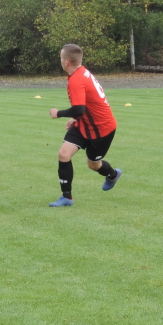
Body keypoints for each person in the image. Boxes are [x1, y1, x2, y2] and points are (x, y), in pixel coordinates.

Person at [47, 43, 122, 207]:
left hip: (102, 129)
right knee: (64, 154)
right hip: (84, 123)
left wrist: (58, 113)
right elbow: (87, 104)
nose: (60, 60)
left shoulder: (77, 79)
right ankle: (66, 197)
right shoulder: (80, 73)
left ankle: (112, 175)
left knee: (93, 165)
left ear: (66, 62)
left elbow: (79, 109)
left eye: (61, 57)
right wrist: (76, 118)